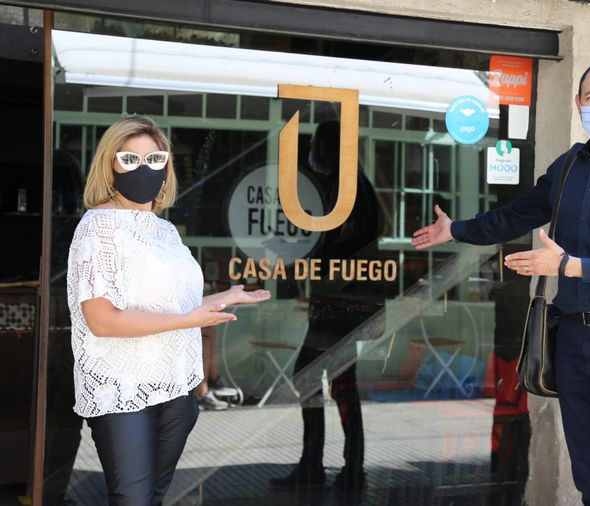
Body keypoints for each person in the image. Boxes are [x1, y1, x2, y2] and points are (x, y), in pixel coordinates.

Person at [412, 58, 590, 505]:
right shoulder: (568, 167)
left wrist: (568, 266)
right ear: (579, 104)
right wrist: (457, 229)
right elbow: (519, 214)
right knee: (589, 476)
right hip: (575, 334)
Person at [66, 115, 271, 505]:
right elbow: (102, 320)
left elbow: (173, 308)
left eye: (155, 159)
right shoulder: (98, 228)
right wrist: (191, 319)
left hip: (174, 390)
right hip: (122, 391)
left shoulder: (165, 230)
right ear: (110, 164)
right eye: (131, 160)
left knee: (152, 500)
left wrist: (222, 298)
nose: (144, 169)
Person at [269, 119, 382, 492]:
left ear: (329, 146)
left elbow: (346, 242)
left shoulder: (347, 186)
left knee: (317, 378)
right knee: (337, 383)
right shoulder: (350, 183)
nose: (311, 150)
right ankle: (336, 467)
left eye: (316, 143)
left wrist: (302, 256)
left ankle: (327, 467)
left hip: (344, 301)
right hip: (344, 300)